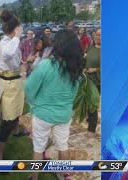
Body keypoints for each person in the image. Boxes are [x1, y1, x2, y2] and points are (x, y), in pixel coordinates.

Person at [24, 29, 84, 180]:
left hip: (43, 114)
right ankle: (65, 175)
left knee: (38, 147)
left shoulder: (46, 65)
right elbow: (73, 94)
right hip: (63, 115)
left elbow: (29, 87)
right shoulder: (77, 69)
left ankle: (34, 176)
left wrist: (33, 102)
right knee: (63, 147)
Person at [0, 9, 26, 160]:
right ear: (15, 29)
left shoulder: (8, 43)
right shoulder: (6, 43)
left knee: (15, 114)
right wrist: (18, 37)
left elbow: (14, 58)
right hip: (9, 84)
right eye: (19, 28)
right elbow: (8, 54)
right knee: (8, 120)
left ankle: (16, 131)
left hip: (14, 82)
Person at [85, 28, 101, 139]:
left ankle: (92, 128)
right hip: (87, 80)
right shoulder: (91, 47)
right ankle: (90, 119)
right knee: (88, 102)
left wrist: (95, 70)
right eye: (96, 34)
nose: (97, 37)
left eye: (100, 35)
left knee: (93, 104)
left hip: (97, 81)